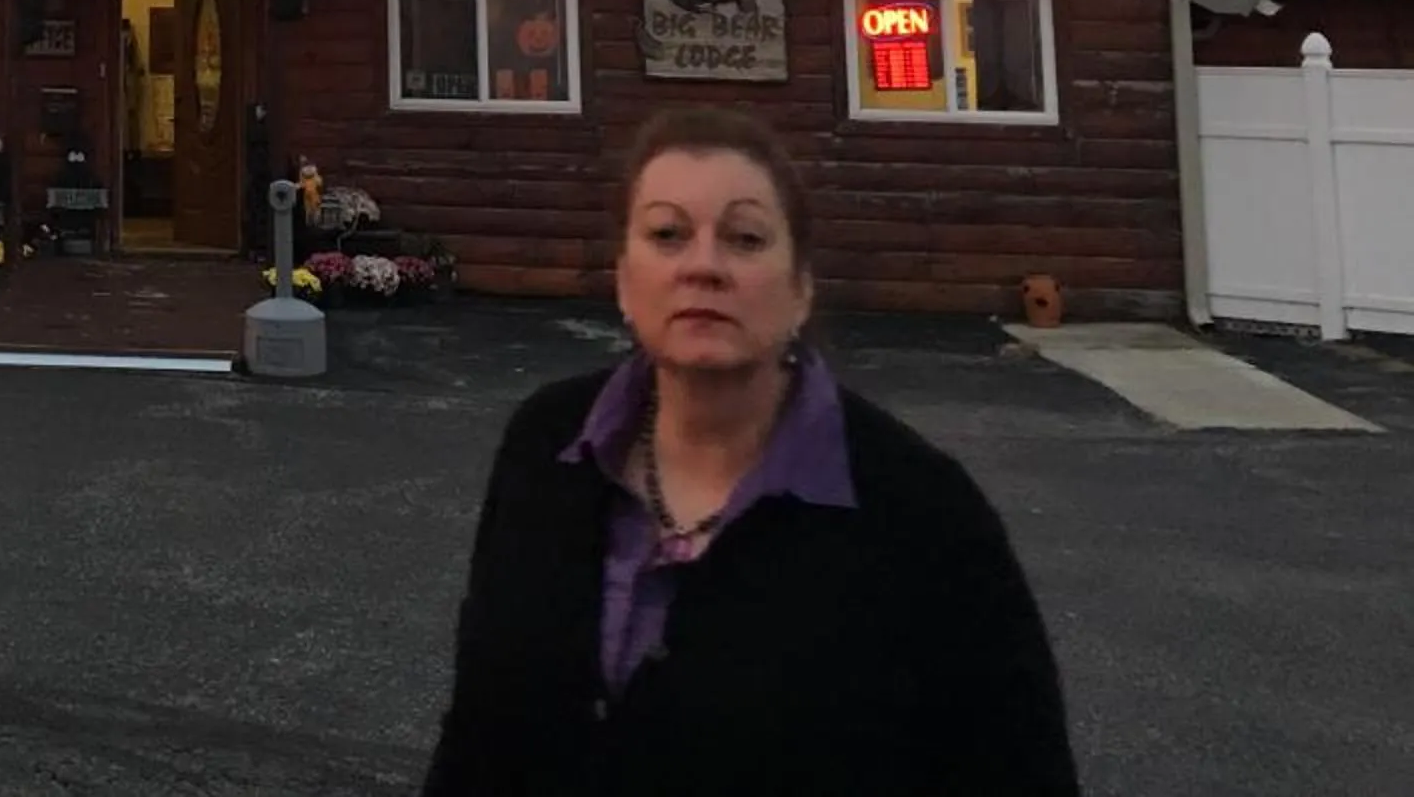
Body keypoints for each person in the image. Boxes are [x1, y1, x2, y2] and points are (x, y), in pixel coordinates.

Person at [420, 106, 1078, 796]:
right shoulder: (546, 446)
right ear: (623, 280)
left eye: (745, 238)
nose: (703, 266)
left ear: (801, 289)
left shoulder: (920, 512)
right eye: (668, 234)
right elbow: (476, 736)